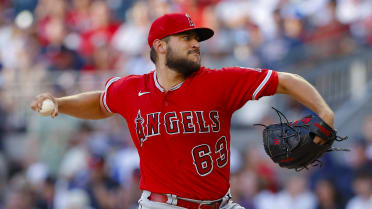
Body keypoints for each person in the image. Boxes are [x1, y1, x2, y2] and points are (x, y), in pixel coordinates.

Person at [31, 13, 334, 209]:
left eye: (196, 39)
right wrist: (61, 103)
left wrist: (324, 112)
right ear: (160, 46)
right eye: (186, 38)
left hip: (221, 204)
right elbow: (100, 102)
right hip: (163, 205)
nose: (195, 45)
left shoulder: (220, 81)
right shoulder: (132, 88)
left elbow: (285, 81)